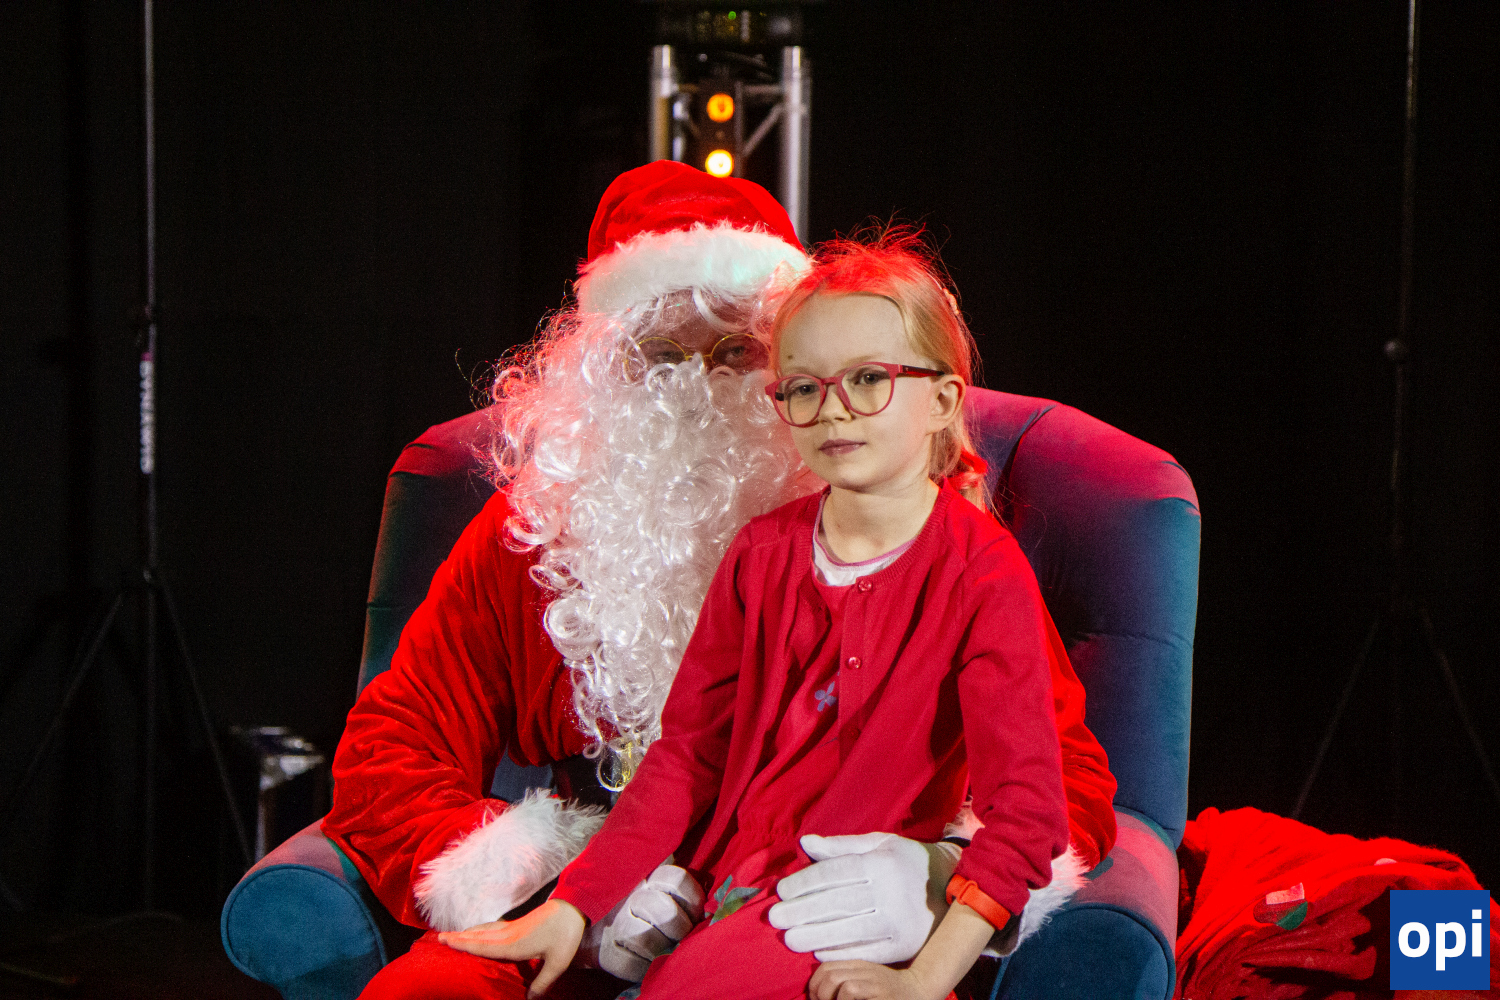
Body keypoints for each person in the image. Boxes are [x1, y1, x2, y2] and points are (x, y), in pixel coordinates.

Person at [324, 162, 1116, 1000]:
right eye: (661, 356)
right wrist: (565, 884)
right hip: (596, 881)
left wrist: (936, 874)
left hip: (812, 897)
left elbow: (1056, 775)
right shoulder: (539, 529)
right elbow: (390, 753)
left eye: (736, 352)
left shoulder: (940, 541)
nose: (697, 390)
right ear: (603, 372)